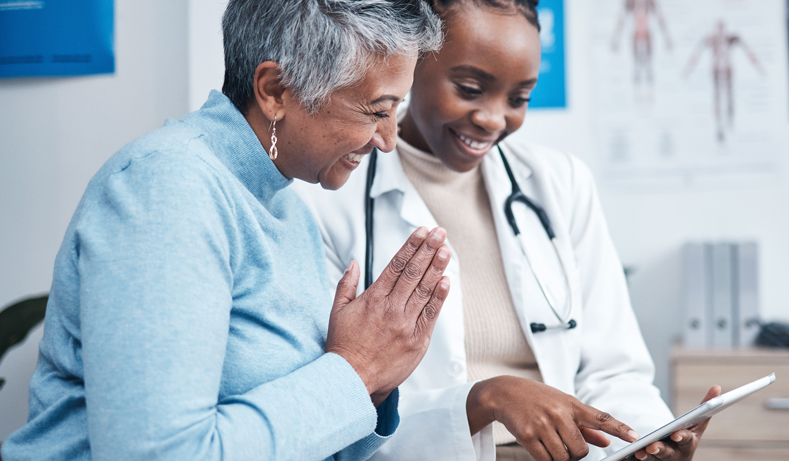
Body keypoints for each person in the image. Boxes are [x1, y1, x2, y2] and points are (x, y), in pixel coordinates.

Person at [0, 1, 448, 460]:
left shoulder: (287, 207)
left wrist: (372, 385)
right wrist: (356, 371)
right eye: (377, 111)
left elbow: (308, 439)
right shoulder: (167, 189)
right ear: (276, 90)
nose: (388, 139)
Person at [295, 1, 720, 460]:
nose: (494, 119)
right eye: (471, 88)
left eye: (518, 99)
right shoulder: (329, 195)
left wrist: (647, 438)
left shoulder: (560, 184)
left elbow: (614, 369)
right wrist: (483, 401)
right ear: (412, 62)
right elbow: (334, 407)